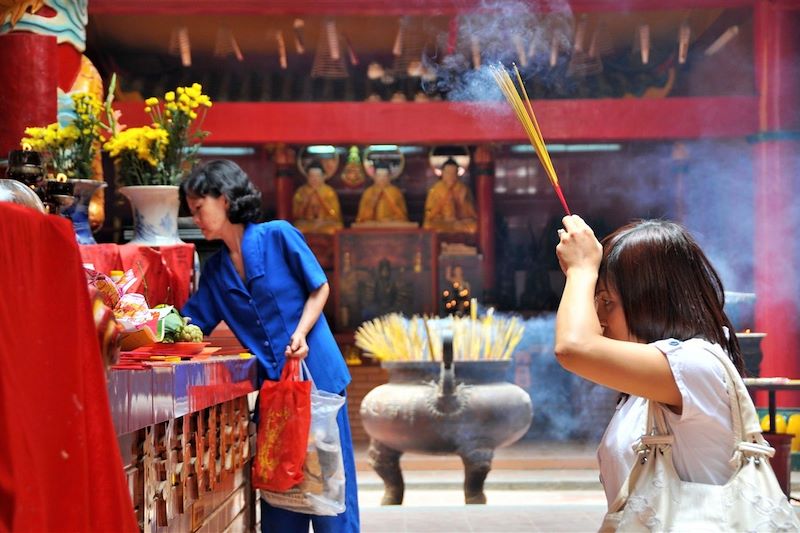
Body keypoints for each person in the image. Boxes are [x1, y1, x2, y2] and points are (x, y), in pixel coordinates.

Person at [179, 160, 359, 533]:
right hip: (276, 395)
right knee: (280, 502)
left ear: (225, 200)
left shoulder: (278, 235)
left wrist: (301, 332)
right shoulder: (215, 272)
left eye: (199, 207)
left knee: (330, 501)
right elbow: (189, 325)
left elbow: (319, 286)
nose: (194, 217)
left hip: (319, 384)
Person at [554, 215, 745, 510]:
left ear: (653, 300)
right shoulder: (652, 380)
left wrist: (581, 270)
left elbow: (574, 347)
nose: (599, 319)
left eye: (607, 302)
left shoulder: (695, 365)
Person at [422, 158, 477, 233]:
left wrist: (463, 201)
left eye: (454, 173)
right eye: (448, 173)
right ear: (442, 174)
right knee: (428, 226)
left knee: (474, 226)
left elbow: (472, 214)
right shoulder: (435, 190)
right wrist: (441, 202)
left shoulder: (463, 189)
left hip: (459, 222)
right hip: (442, 223)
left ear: (458, 174)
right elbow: (429, 215)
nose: (451, 176)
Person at [292, 161, 344, 235]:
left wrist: (321, 199)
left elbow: (335, 214)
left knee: (334, 229)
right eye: (312, 176)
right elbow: (296, 215)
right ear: (307, 177)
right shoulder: (301, 191)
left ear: (324, 176)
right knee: (298, 229)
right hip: (307, 223)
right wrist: (305, 201)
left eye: (318, 176)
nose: (315, 179)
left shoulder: (329, 191)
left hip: (325, 223)